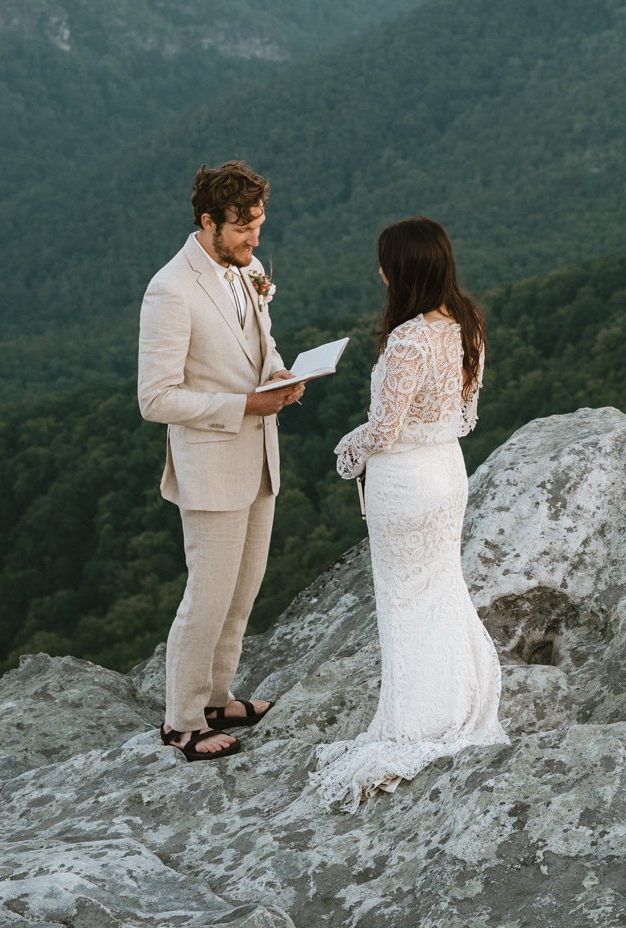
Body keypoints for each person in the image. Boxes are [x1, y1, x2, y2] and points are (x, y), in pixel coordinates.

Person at [310, 216, 508, 807]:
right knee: (443, 589)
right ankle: (461, 706)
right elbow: (463, 412)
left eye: (384, 263)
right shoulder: (468, 323)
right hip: (448, 469)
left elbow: (386, 428)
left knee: (404, 601)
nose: (378, 271)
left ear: (402, 271)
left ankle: (416, 725)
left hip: (406, 483)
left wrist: (348, 447)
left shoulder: (409, 338)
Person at [137, 160, 306, 762]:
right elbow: (154, 398)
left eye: (258, 226)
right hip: (210, 465)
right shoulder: (170, 289)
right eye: (242, 229)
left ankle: (217, 697)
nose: (254, 240)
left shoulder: (250, 270)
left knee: (242, 593)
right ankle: (181, 722)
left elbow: (259, 343)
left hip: (260, 456)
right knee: (206, 596)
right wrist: (244, 403)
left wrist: (281, 373)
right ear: (207, 222)